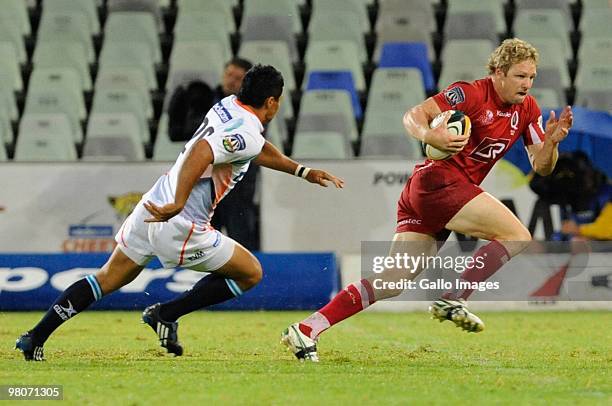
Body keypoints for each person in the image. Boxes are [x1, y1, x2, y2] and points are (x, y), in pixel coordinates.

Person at [15, 65, 344, 361]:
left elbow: (255, 148)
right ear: (272, 101)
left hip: (151, 206)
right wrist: (178, 202)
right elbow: (202, 152)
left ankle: (35, 337)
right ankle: (167, 313)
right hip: (180, 220)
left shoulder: (230, 106)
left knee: (107, 278)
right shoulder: (245, 131)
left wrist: (302, 171)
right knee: (251, 273)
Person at [282, 38, 574, 362]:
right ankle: (454, 298)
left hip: (428, 192)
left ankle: (308, 328)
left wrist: (552, 143)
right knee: (517, 235)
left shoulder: (528, 108)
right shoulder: (471, 93)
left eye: (531, 77)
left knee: (392, 280)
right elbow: (414, 114)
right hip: (439, 183)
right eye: (520, 76)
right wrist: (429, 134)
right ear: (498, 72)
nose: (527, 84)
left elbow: (542, 167)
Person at [209, 58, 261, 250]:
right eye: (229, 75)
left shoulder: (254, 108)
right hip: (208, 184)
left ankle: (242, 279)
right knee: (203, 243)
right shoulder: (206, 101)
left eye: (237, 78)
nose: (231, 81)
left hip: (238, 186)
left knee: (241, 242)